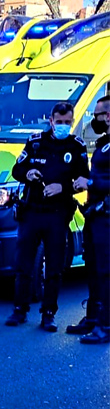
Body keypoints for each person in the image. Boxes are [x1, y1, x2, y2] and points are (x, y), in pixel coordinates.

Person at [5, 102, 90, 331]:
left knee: (54, 267)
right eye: (58, 121)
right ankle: (19, 310)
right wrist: (28, 173)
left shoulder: (76, 146)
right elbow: (17, 170)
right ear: (50, 120)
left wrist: (63, 187)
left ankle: (48, 313)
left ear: (71, 122)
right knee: (23, 264)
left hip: (57, 214)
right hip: (32, 211)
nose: (62, 126)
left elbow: (84, 180)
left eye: (67, 122)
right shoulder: (35, 142)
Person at [71, 96, 110, 344]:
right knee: (94, 269)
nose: (94, 119)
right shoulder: (104, 143)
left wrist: (92, 183)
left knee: (106, 272)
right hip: (94, 214)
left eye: (97, 114)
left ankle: (105, 325)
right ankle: (94, 318)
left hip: (107, 217)